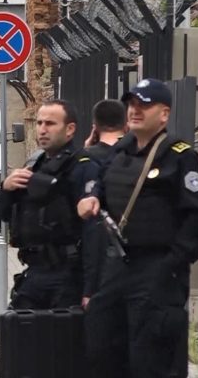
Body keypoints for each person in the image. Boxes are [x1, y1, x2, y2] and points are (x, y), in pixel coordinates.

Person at [77, 79, 198, 378]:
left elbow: (196, 218)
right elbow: (101, 184)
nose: (135, 110)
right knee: (103, 346)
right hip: (120, 264)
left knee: (151, 357)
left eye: (144, 105)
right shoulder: (121, 150)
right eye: (132, 104)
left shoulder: (179, 156)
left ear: (164, 114)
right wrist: (91, 197)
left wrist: (171, 265)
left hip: (159, 268)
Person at [0, 100, 99, 309]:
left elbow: (93, 233)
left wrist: (90, 288)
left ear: (70, 129)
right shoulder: (35, 165)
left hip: (68, 274)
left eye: (50, 124)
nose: (42, 129)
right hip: (34, 271)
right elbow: (1, 216)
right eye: (40, 123)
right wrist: (6, 188)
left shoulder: (83, 167)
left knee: (61, 338)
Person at [81, 98, 127, 305]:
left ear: (94, 128)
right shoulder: (137, 158)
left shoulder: (84, 160)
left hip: (98, 264)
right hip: (137, 262)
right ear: (126, 125)